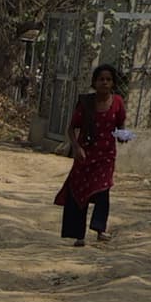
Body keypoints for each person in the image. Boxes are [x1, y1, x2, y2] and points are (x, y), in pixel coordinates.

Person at [55, 65, 131, 246]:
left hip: (106, 156)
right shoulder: (86, 104)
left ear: (113, 83)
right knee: (78, 190)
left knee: (103, 189)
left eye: (108, 79)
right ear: (94, 83)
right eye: (101, 79)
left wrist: (123, 136)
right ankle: (78, 235)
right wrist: (76, 147)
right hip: (85, 155)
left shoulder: (118, 102)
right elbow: (72, 128)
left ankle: (99, 229)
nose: (105, 82)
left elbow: (120, 126)